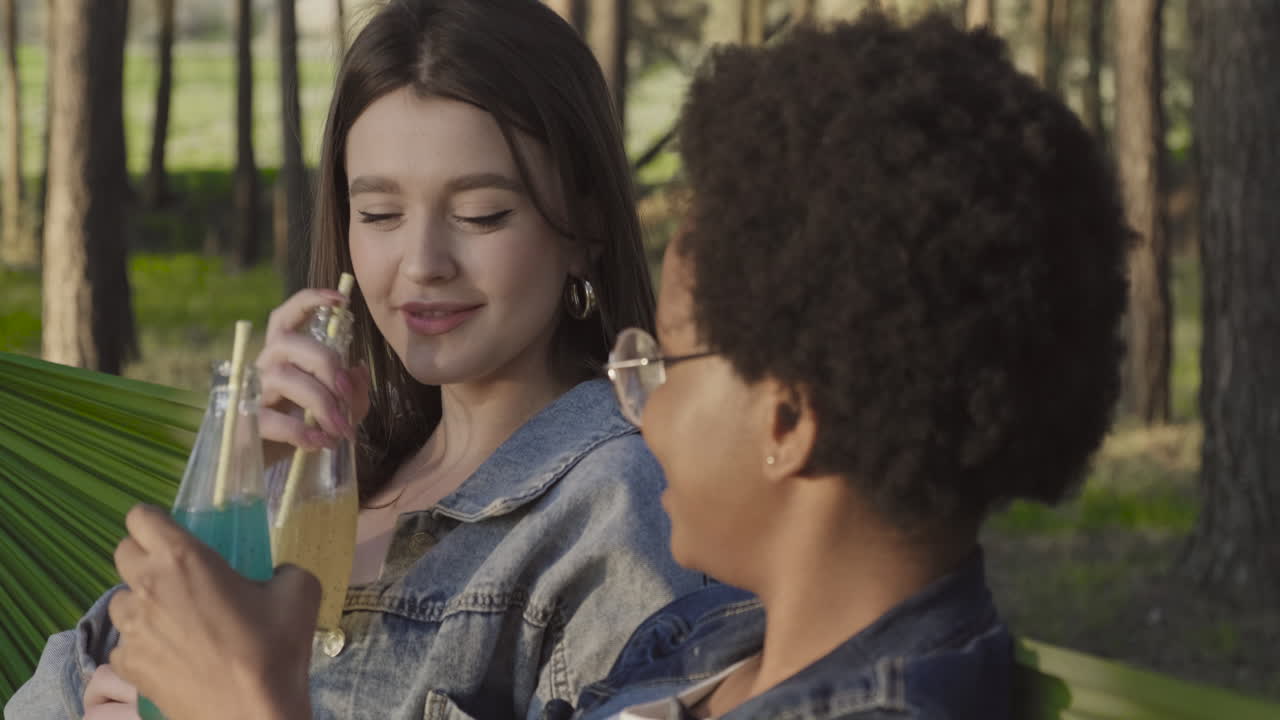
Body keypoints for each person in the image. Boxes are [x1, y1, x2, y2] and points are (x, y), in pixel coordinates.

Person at [37, 9, 1129, 720]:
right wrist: (238, 477)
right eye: (376, 210)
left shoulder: (644, 552)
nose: (634, 412)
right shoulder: (696, 686)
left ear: (786, 422)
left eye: (665, 363)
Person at [4, 1, 704, 719]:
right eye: (379, 215)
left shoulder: (622, 507)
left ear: (585, 225)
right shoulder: (304, 484)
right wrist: (238, 494)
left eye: (481, 214)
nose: (422, 264)